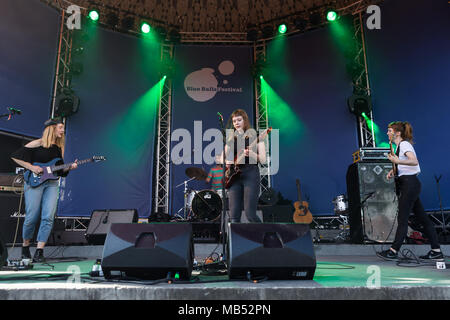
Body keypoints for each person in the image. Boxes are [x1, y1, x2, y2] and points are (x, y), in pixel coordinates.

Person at [11, 117, 77, 262]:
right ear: (52, 128)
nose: (63, 130)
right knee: (32, 216)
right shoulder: (37, 143)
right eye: (60, 127)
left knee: (48, 217)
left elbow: (60, 170)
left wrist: (69, 168)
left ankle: (40, 250)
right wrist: (31, 167)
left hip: (52, 183)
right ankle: (25, 247)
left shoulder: (59, 147)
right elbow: (15, 156)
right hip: (34, 183)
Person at [377, 121, 444, 261]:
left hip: (410, 184)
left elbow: (414, 161)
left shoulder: (404, 144)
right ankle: (436, 250)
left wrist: (397, 162)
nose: (387, 133)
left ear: (397, 133)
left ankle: (393, 250)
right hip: (409, 184)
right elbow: (404, 165)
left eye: (390, 131)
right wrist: (393, 170)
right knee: (423, 218)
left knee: (402, 218)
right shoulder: (397, 147)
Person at [217, 109, 266, 223]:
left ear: (245, 121)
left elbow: (263, 159)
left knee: (250, 214)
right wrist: (227, 161)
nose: (236, 123)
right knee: (233, 217)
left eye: (239, 120)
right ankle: (235, 240)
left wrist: (252, 154)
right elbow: (221, 158)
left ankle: (262, 239)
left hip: (251, 175)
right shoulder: (231, 139)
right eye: (234, 121)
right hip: (234, 178)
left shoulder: (257, 136)